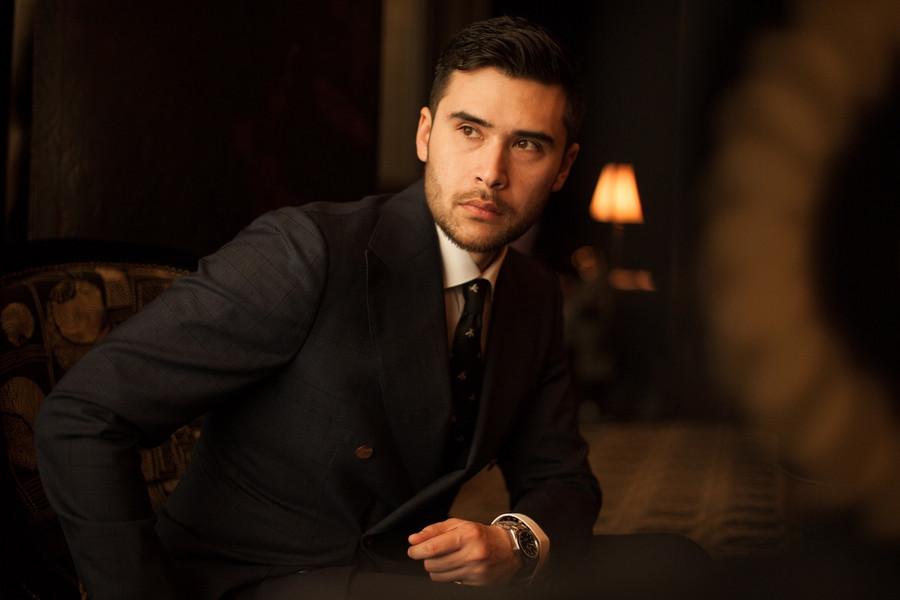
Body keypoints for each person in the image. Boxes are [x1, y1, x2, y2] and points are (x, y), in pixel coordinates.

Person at [36, 16, 704, 600]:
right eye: (469, 130)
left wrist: (514, 543)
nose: (492, 171)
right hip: (263, 578)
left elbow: (561, 477)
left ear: (563, 168)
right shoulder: (307, 251)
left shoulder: (532, 294)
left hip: (403, 575)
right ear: (425, 133)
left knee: (678, 564)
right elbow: (84, 415)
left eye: (527, 144)